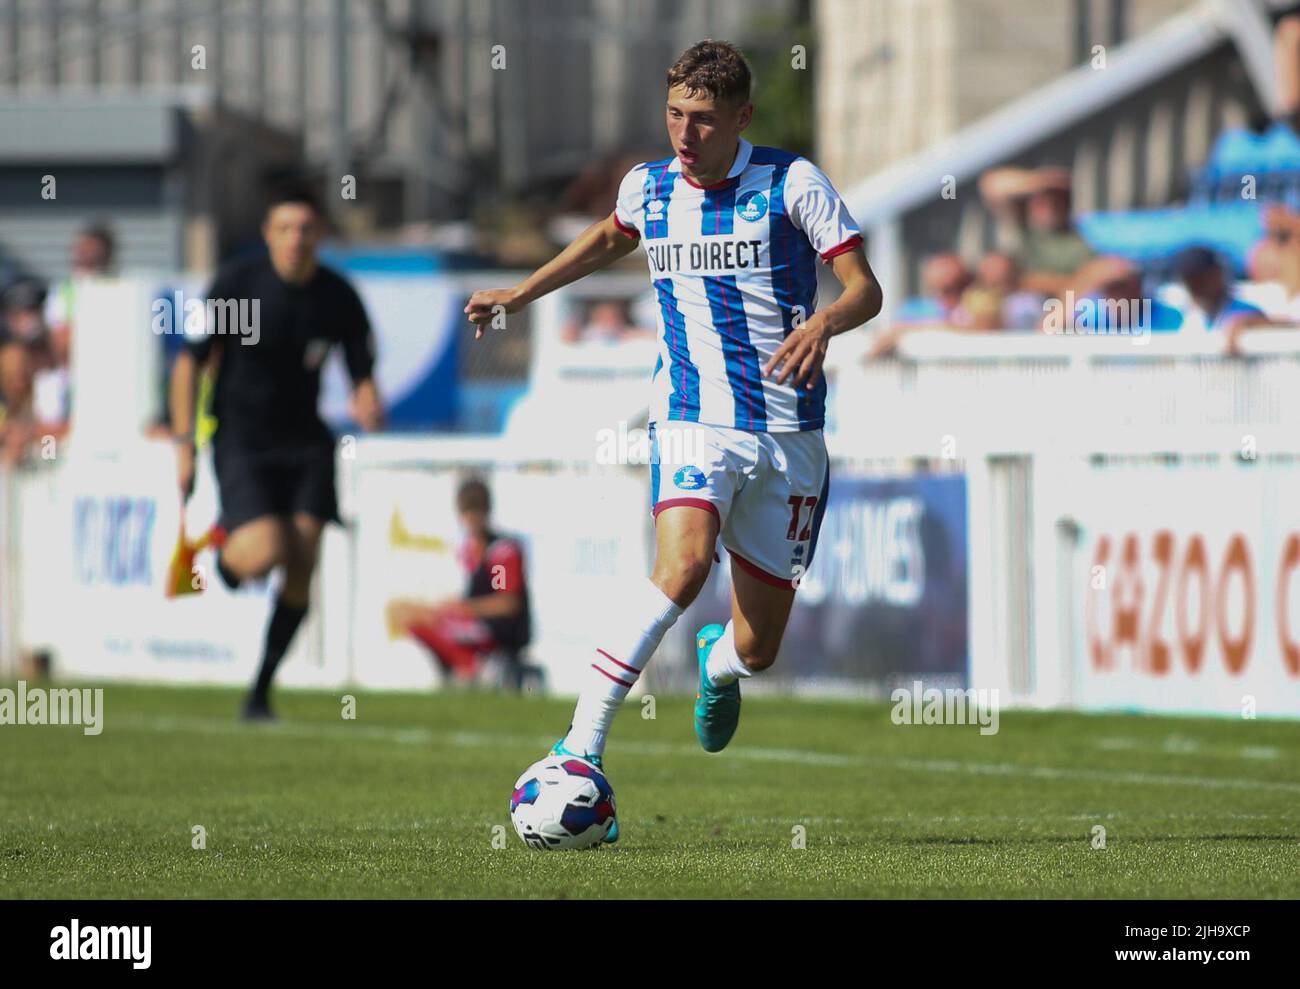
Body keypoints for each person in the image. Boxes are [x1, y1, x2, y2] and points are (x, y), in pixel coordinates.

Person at [465, 40, 882, 842]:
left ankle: (720, 662)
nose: (684, 134)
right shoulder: (649, 187)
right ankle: (580, 746)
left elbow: (866, 286)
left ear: (742, 118)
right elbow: (611, 237)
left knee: (761, 648)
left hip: (789, 435)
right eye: (674, 115)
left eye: (702, 119)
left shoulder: (792, 182)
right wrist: (522, 291)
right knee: (684, 565)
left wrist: (826, 319)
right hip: (692, 417)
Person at [169, 183, 385, 721]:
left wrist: (366, 397)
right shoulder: (236, 285)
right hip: (242, 437)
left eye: (307, 229)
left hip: (307, 441)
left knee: (304, 557)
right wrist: (182, 442)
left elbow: (361, 370)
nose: (297, 239)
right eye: (285, 228)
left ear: (321, 234)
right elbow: (189, 362)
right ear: (268, 234)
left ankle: (260, 690)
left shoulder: (339, 295)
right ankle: (226, 557)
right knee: (266, 551)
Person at [385, 477, 532, 687]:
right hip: (476, 623)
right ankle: (462, 667)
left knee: (431, 621)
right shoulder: (469, 550)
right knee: (407, 614)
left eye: (475, 511)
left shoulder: (501, 552)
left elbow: (506, 602)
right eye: (466, 512)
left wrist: (463, 609)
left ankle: (472, 667)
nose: (470, 519)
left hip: (497, 630)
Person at [979, 165, 1095, 296]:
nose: (1049, 207)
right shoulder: (1027, 230)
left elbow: (1091, 281)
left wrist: (1027, 282)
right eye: (1041, 201)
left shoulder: (1081, 239)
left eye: (1056, 201)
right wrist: (1040, 182)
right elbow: (991, 184)